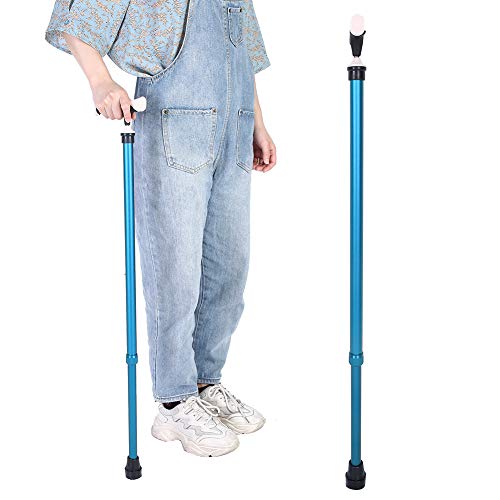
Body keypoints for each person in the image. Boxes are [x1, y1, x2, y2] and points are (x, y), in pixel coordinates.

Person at [46, 0, 276, 457]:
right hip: (175, 125)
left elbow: (246, 52)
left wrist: (259, 124)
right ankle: (174, 400)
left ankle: (205, 383)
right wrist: (101, 81)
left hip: (234, 130)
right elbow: (76, 16)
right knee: (175, 272)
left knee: (229, 272)